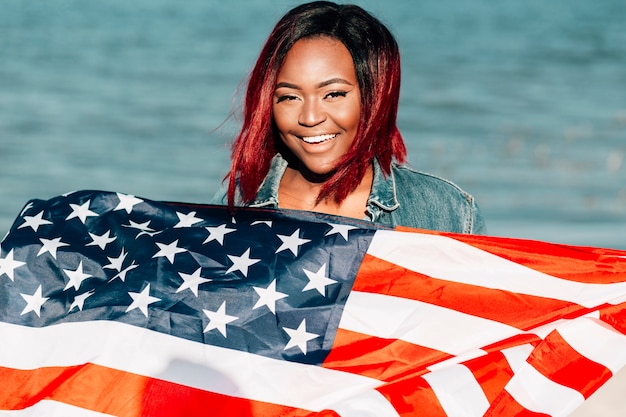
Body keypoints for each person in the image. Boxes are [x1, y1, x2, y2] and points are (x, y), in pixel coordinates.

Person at [212, 1, 486, 234]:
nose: (310, 118)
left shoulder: (447, 213)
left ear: (374, 97)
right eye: (289, 97)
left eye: (333, 94)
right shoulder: (233, 205)